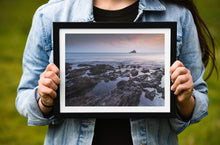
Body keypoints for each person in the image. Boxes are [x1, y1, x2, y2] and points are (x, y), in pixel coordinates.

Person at [16, 0, 217, 145]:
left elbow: (199, 99)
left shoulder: (178, 14)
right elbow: (24, 96)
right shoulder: (50, 14)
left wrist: (184, 100)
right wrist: (45, 101)